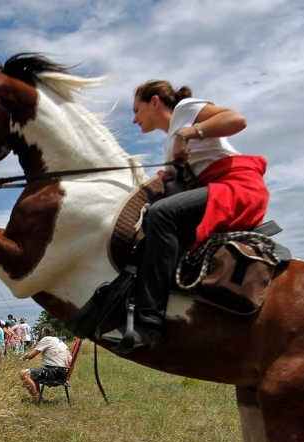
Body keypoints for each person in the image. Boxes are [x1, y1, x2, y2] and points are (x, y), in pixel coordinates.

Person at [102, 79, 269, 353]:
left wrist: (188, 132)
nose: (134, 119)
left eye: (136, 109)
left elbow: (237, 119)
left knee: (162, 215)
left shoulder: (185, 110)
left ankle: (148, 324)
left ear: (155, 101)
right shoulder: (170, 144)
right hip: (217, 188)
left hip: (236, 186)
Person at [19, 327, 72, 404]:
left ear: (44, 334)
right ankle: (38, 397)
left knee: (24, 373)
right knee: (34, 373)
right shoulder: (61, 342)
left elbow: (31, 356)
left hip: (53, 372)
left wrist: (24, 356)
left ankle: (36, 398)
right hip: (62, 374)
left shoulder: (46, 339)